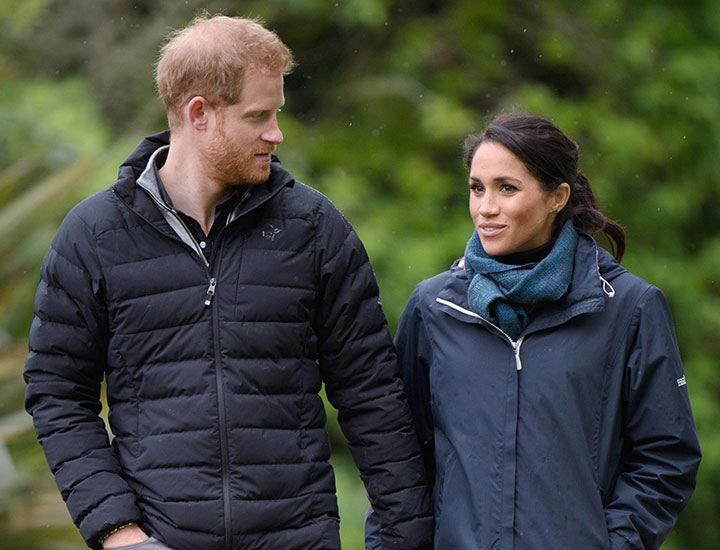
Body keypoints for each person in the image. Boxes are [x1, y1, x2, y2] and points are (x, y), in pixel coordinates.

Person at [23, 14, 432, 550]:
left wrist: (406, 540)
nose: (276, 134)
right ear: (199, 113)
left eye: (276, 114)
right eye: (258, 116)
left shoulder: (312, 227)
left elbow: (373, 395)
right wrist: (119, 533)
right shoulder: (94, 235)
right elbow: (57, 392)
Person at [365, 112, 701, 549]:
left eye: (507, 188)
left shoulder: (630, 308)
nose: (486, 207)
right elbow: (399, 461)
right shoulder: (435, 308)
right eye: (476, 188)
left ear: (557, 196)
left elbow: (666, 457)